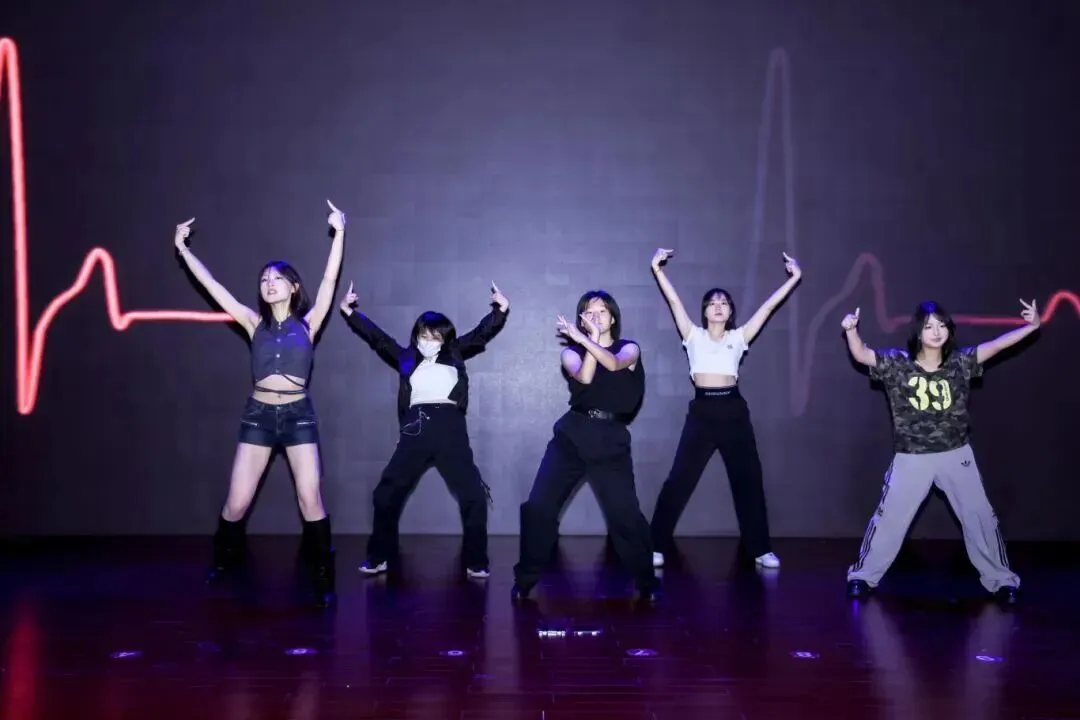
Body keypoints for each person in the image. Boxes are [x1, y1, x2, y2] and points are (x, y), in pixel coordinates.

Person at [176, 200, 346, 609]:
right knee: (236, 502)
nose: (269, 284)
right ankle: (224, 557)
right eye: (264, 279)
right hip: (259, 417)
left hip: (298, 416)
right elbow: (212, 287)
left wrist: (339, 231)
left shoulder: (309, 322)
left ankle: (323, 573)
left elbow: (328, 279)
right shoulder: (253, 322)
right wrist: (183, 250)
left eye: (277, 279)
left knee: (310, 498)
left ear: (293, 287)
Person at [841, 299, 1039, 604]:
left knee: (980, 517)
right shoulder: (897, 364)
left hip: (956, 455)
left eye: (942, 325)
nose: (936, 331)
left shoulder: (961, 362)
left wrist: (1032, 326)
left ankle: (1001, 580)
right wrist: (851, 331)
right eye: (929, 326)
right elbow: (863, 355)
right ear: (918, 332)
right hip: (911, 457)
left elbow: (998, 345)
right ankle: (863, 576)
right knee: (889, 519)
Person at [341, 281, 509, 578]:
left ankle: (476, 561)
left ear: (445, 338)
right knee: (386, 494)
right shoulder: (406, 357)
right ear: (416, 336)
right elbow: (377, 338)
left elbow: (481, 333)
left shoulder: (455, 353)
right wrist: (350, 312)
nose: (429, 340)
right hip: (415, 428)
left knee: (473, 495)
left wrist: (500, 310)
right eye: (423, 335)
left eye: (435, 336)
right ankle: (378, 556)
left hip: (449, 427)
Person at [648, 248, 801, 570]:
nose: (718, 306)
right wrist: (658, 269)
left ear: (730, 311)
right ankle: (655, 544)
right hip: (702, 412)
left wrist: (794, 278)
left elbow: (768, 307)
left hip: (733, 410)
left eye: (724, 303)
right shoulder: (693, 335)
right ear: (705, 311)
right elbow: (674, 302)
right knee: (679, 480)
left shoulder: (739, 336)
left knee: (748, 480)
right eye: (712, 303)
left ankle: (760, 549)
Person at [512, 290, 659, 602]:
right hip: (572, 436)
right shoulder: (571, 353)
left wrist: (587, 338)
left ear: (613, 318)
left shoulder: (629, 348)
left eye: (602, 311)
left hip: (610, 440)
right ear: (581, 319)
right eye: (589, 312)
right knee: (538, 508)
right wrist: (587, 339)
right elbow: (586, 378)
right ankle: (524, 579)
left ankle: (646, 581)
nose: (596, 316)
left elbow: (614, 364)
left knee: (625, 515)